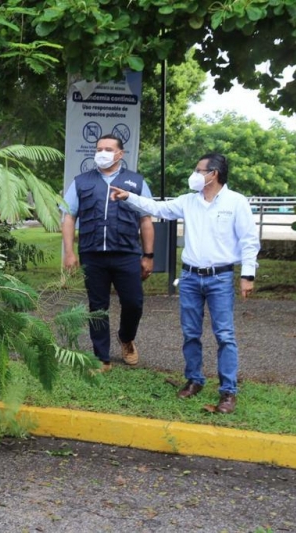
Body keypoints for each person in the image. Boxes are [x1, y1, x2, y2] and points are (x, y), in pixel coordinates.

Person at [109, 152, 260, 414]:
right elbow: (159, 208)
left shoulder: (236, 202)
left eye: (199, 170)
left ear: (213, 174)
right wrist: (128, 196)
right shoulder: (189, 201)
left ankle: (228, 391)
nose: (194, 175)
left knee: (224, 335)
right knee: (190, 332)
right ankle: (194, 379)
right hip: (190, 277)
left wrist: (247, 275)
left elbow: (249, 240)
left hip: (220, 277)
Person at [61, 134, 155, 372]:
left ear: (120, 154)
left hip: (126, 254)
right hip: (92, 255)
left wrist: (148, 255)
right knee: (97, 307)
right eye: (99, 149)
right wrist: (69, 253)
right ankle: (101, 357)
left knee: (134, 303)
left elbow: (145, 220)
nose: (102, 153)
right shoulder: (81, 182)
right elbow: (69, 217)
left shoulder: (136, 182)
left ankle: (126, 338)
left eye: (108, 149)